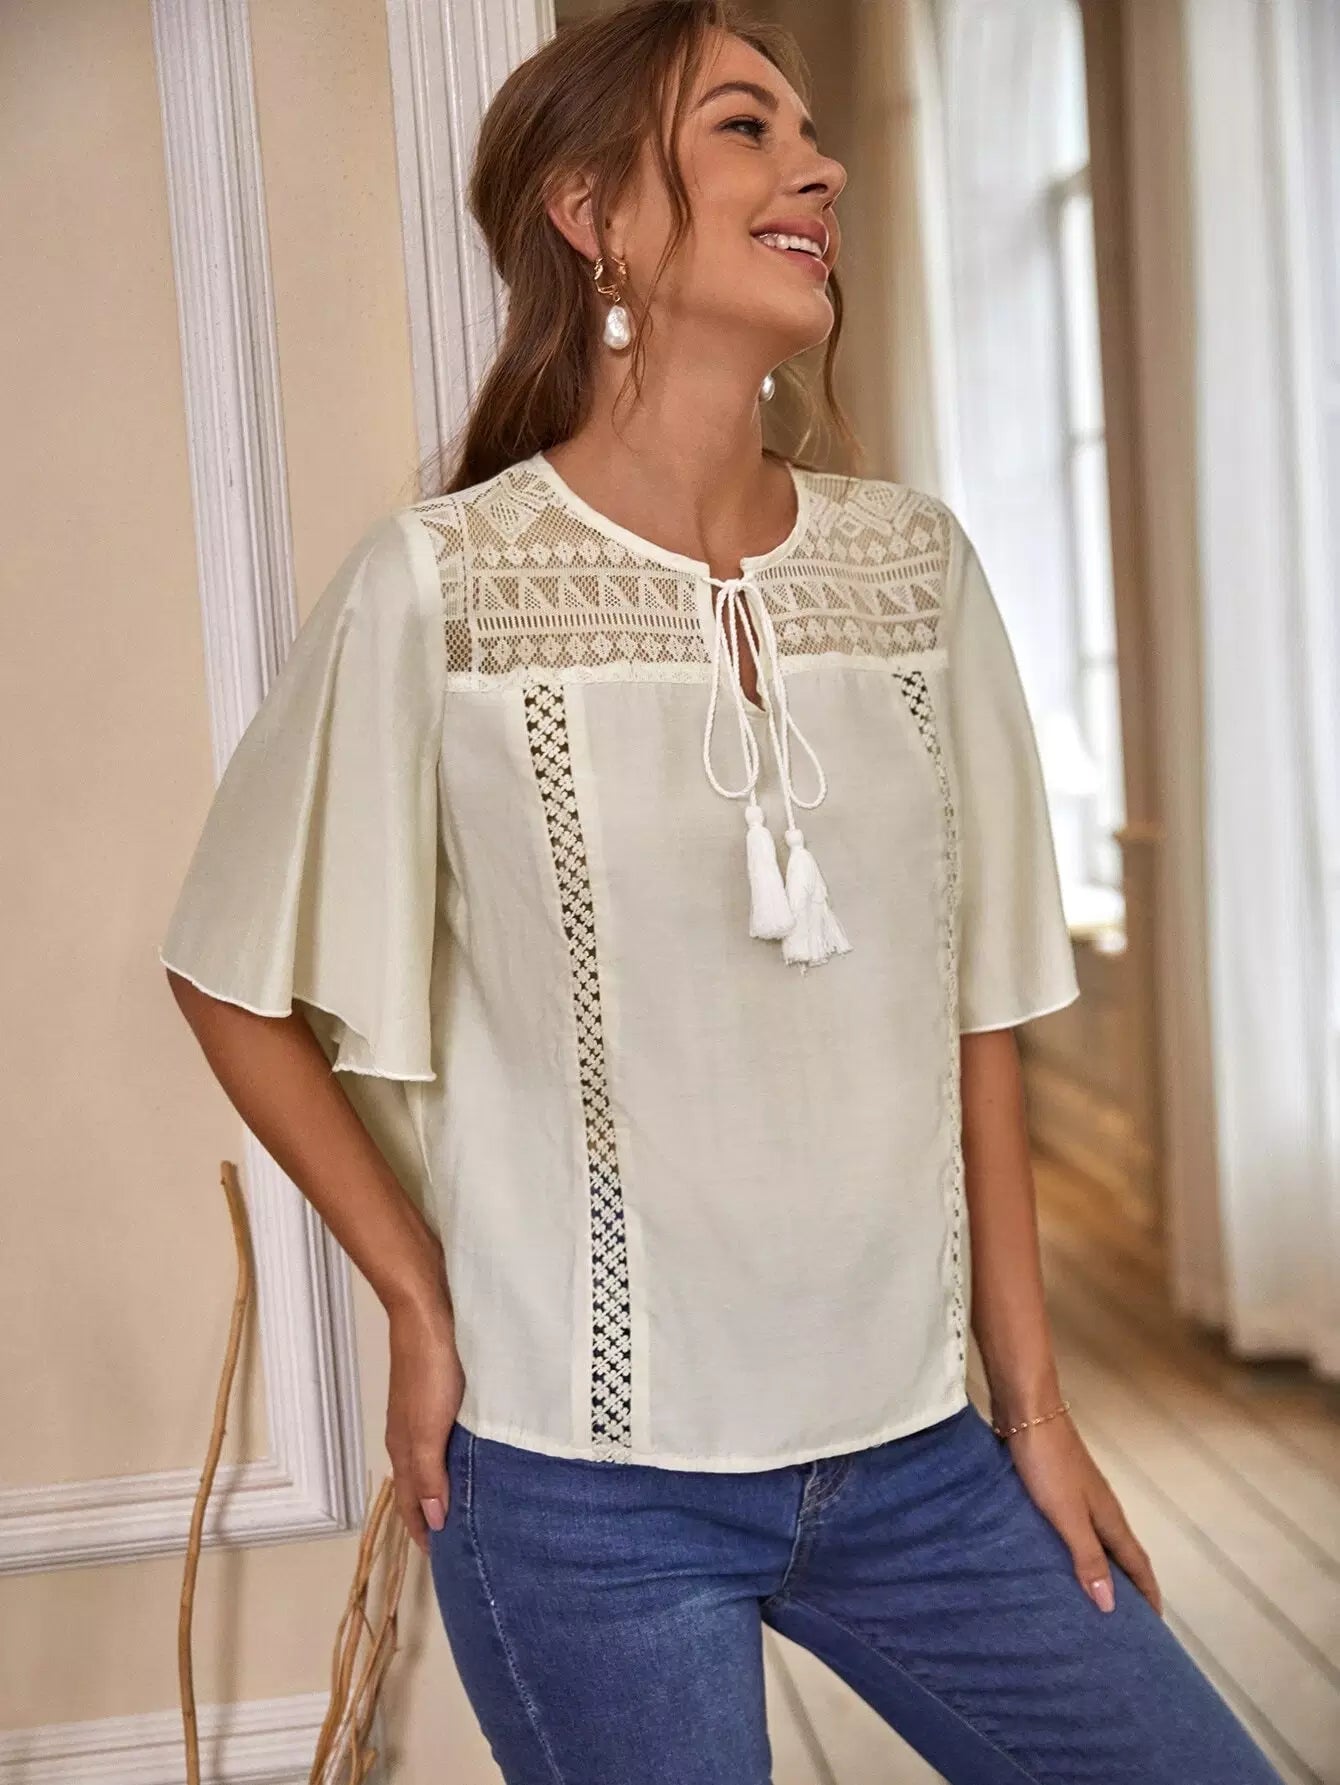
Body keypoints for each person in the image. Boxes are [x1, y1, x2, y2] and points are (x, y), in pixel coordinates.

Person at [157, 3, 1288, 1780]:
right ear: (589, 211)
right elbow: (229, 974)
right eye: (747, 128)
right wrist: (420, 1301)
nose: (816, 169)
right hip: (579, 1491)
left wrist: (1038, 1412)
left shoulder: (913, 568)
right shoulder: (444, 588)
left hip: (920, 1457)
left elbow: (980, 1013)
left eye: (813, 135)